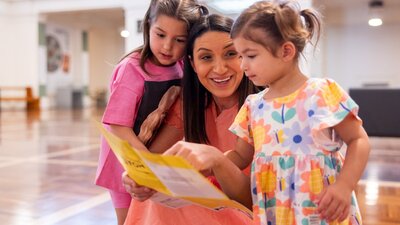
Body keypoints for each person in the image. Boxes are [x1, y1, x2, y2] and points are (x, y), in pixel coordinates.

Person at [164, 1, 371, 225]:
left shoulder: (321, 92)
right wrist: (198, 167)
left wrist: (344, 185)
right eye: (240, 56)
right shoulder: (253, 106)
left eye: (250, 56)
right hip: (274, 212)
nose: (242, 65)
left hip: (321, 210)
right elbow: (239, 156)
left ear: (286, 51)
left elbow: (358, 140)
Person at [122, 14, 259, 225]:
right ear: (192, 64)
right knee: (154, 197)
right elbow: (155, 162)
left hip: (249, 211)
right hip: (203, 206)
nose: (220, 68)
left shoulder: (263, 108)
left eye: (231, 54)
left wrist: (217, 161)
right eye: (206, 57)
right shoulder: (189, 104)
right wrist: (138, 177)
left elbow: (255, 202)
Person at [94, 0, 207, 224]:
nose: (167, 47)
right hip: (124, 162)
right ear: (148, 27)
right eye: (160, 35)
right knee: (130, 219)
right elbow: (118, 126)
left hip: (154, 161)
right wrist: (146, 165)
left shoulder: (182, 67)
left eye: (179, 40)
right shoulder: (131, 68)